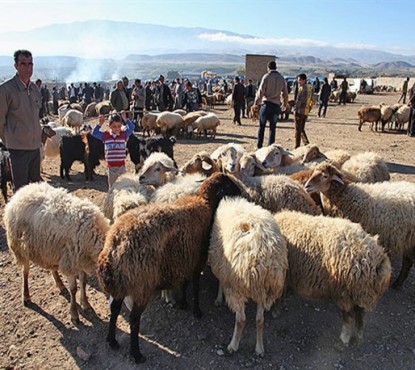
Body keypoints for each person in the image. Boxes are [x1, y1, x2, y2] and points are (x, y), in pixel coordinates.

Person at [0, 49, 43, 190]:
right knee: (21, 193)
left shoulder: (35, 90)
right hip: (18, 150)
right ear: (16, 66)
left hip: (35, 148)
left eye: (30, 64)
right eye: (23, 64)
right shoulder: (6, 90)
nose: (28, 68)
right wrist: (9, 141)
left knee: (37, 191)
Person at [92, 111, 135, 188]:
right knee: (112, 187)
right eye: (114, 126)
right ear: (109, 126)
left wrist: (125, 119)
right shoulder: (106, 136)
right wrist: (100, 123)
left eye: (119, 126)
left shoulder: (123, 134)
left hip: (121, 166)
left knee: (123, 185)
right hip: (111, 167)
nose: (117, 128)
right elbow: (94, 133)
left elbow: (132, 127)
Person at [253, 60, 289, 149]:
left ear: (268, 68)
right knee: (272, 128)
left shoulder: (266, 77)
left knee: (262, 126)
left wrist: (256, 103)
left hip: (266, 105)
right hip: (276, 105)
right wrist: (285, 104)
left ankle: (259, 146)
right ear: (276, 67)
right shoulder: (281, 78)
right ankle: (270, 148)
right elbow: (285, 93)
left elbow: (260, 91)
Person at [294, 73, 313, 149]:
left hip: (300, 111)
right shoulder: (309, 88)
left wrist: (295, 109)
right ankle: (307, 144)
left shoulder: (302, 89)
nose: (298, 82)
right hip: (306, 111)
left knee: (298, 130)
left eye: (299, 80)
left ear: (304, 80)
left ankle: (297, 146)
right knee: (301, 129)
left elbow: (299, 101)